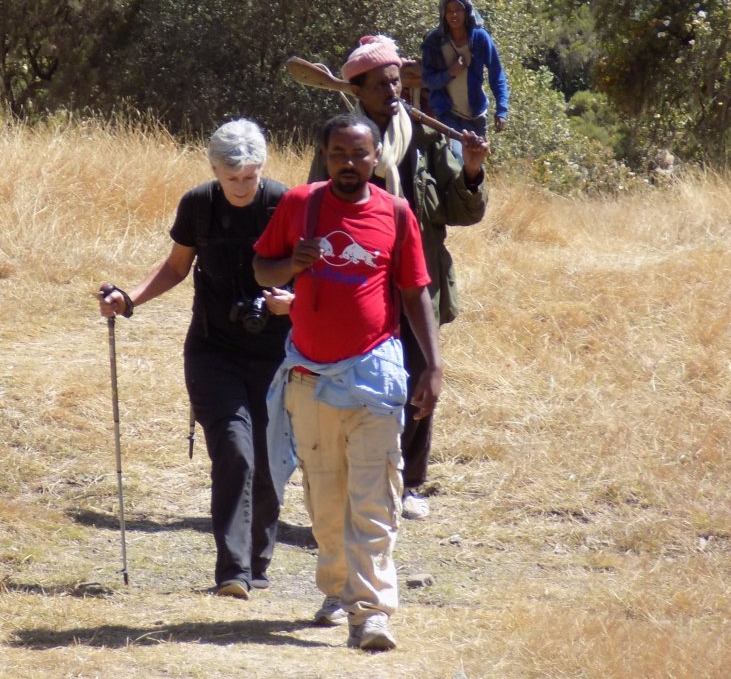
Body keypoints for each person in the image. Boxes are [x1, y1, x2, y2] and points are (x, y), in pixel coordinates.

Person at [255, 112, 443, 651]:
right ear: (324, 155)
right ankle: (337, 590)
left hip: (374, 376)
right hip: (310, 376)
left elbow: (414, 293)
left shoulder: (397, 213)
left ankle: (371, 613)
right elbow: (260, 270)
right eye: (338, 153)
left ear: (376, 157)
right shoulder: (299, 205)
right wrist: (291, 262)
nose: (348, 164)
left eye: (359, 154)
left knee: (375, 497)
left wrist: (432, 365)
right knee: (326, 496)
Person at [98, 119, 291, 599]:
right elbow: (175, 266)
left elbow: (310, 271)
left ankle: (257, 561)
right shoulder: (199, 205)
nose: (243, 187)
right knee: (233, 450)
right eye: (233, 178)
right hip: (213, 349)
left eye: (250, 176)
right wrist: (129, 299)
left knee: (269, 458)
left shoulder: (286, 204)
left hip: (275, 352)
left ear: (262, 168)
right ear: (214, 171)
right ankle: (232, 571)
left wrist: (288, 299)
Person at [306, 35, 489, 521]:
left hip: (416, 281)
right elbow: (315, 205)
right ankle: (356, 478)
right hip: (356, 284)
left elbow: (459, 211)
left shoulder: (426, 138)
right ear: (358, 90)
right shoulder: (342, 141)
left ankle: (409, 483)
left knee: (419, 378)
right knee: (358, 383)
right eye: (382, 84)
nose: (393, 91)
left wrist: (471, 172)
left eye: (396, 82)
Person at [421, 0, 509, 161]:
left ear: (467, 11)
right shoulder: (434, 42)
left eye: (458, 10)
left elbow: (496, 74)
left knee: (475, 164)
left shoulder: (480, 38)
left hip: (476, 115)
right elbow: (428, 80)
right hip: (447, 114)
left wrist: (502, 109)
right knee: (457, 160)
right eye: (450, 11)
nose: (454, 15)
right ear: (443, 14)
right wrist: (450, 73)